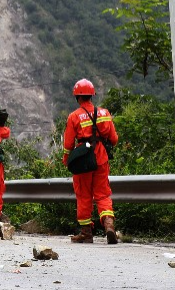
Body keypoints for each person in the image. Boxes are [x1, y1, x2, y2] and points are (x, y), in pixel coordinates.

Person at [62, 78, 119, 244]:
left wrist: (67, 159)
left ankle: (86, 233)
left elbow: (68, 144)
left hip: (83, 159)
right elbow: (114, 139)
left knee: (83, 194)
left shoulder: (74, 117)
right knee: (103, 193)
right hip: (101, 157)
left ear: (77, 97)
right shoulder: (104, 113)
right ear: (92, 95)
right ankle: (109, 224)